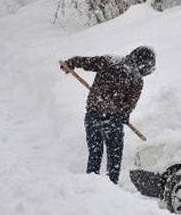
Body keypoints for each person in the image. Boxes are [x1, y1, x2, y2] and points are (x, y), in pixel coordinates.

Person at [61, 46, 156, 184]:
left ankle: (90, 184)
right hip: (112, 121)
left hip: (92, 115)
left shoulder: (110, 60)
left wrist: (71, 63)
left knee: (94, 152)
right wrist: (123, 115)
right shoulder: (136, 78)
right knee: (114, 157)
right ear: (144, 64)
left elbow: (85, 62)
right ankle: (111, 187)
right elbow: (129, 104)